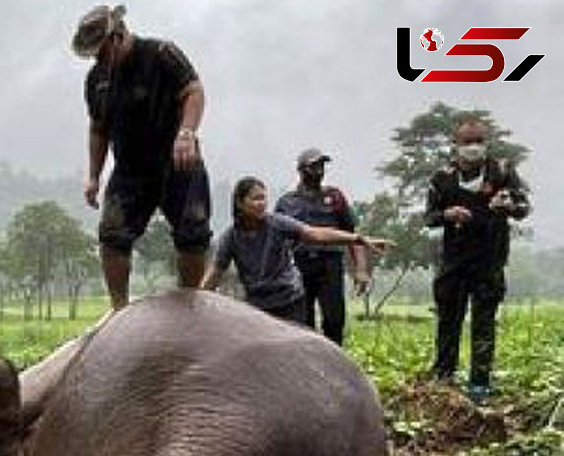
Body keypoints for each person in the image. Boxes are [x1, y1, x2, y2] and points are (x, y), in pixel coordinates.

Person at [72, 4, 211, 311]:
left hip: (177, 159)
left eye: (102, 51)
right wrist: (94, 175)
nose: (98, 59)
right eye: (93, 55)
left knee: (192, 231)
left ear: (118, 36)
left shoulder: (161, 53)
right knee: (112, 234)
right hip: (131, 167)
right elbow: (98, 130)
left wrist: (186, 133)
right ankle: (118, 309)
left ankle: (191, 302)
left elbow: (194, 90)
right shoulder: (96, 80)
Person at [425, 118, 530, 401]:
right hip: (454, 261)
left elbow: (523, 207)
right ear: (455, 145)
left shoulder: (503, 172)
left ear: (486, 143)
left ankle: (480, 384)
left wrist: (509, 206)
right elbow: (430, 216)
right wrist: (448, 214)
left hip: (490, 260)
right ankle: (444, 377)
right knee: (449, 320)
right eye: (467, 142)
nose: (473, 147)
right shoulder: (442, 178)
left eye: (479, 141)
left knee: (484, 322)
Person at [201, 177, 392, 323]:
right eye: (255, 199)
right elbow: (216, 272)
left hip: (289, 300)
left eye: (263, 198)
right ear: (240, 203)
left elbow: (315, 234)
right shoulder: (230, 236)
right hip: (257, 305)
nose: (262, 203)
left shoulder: (277, 223)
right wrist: (196, 300)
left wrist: (357, 239)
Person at [275, 148, 370, 344]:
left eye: (322, 166)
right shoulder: (286, 202)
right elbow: (275, 241)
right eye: (313, 166)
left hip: (330, 264)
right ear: (301, 170)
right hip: (299, 265)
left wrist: (360, 270)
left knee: (334, 319)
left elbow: (353, 236)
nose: (319, 171)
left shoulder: (335, 197)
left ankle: (334, 365)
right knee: (302, 321)